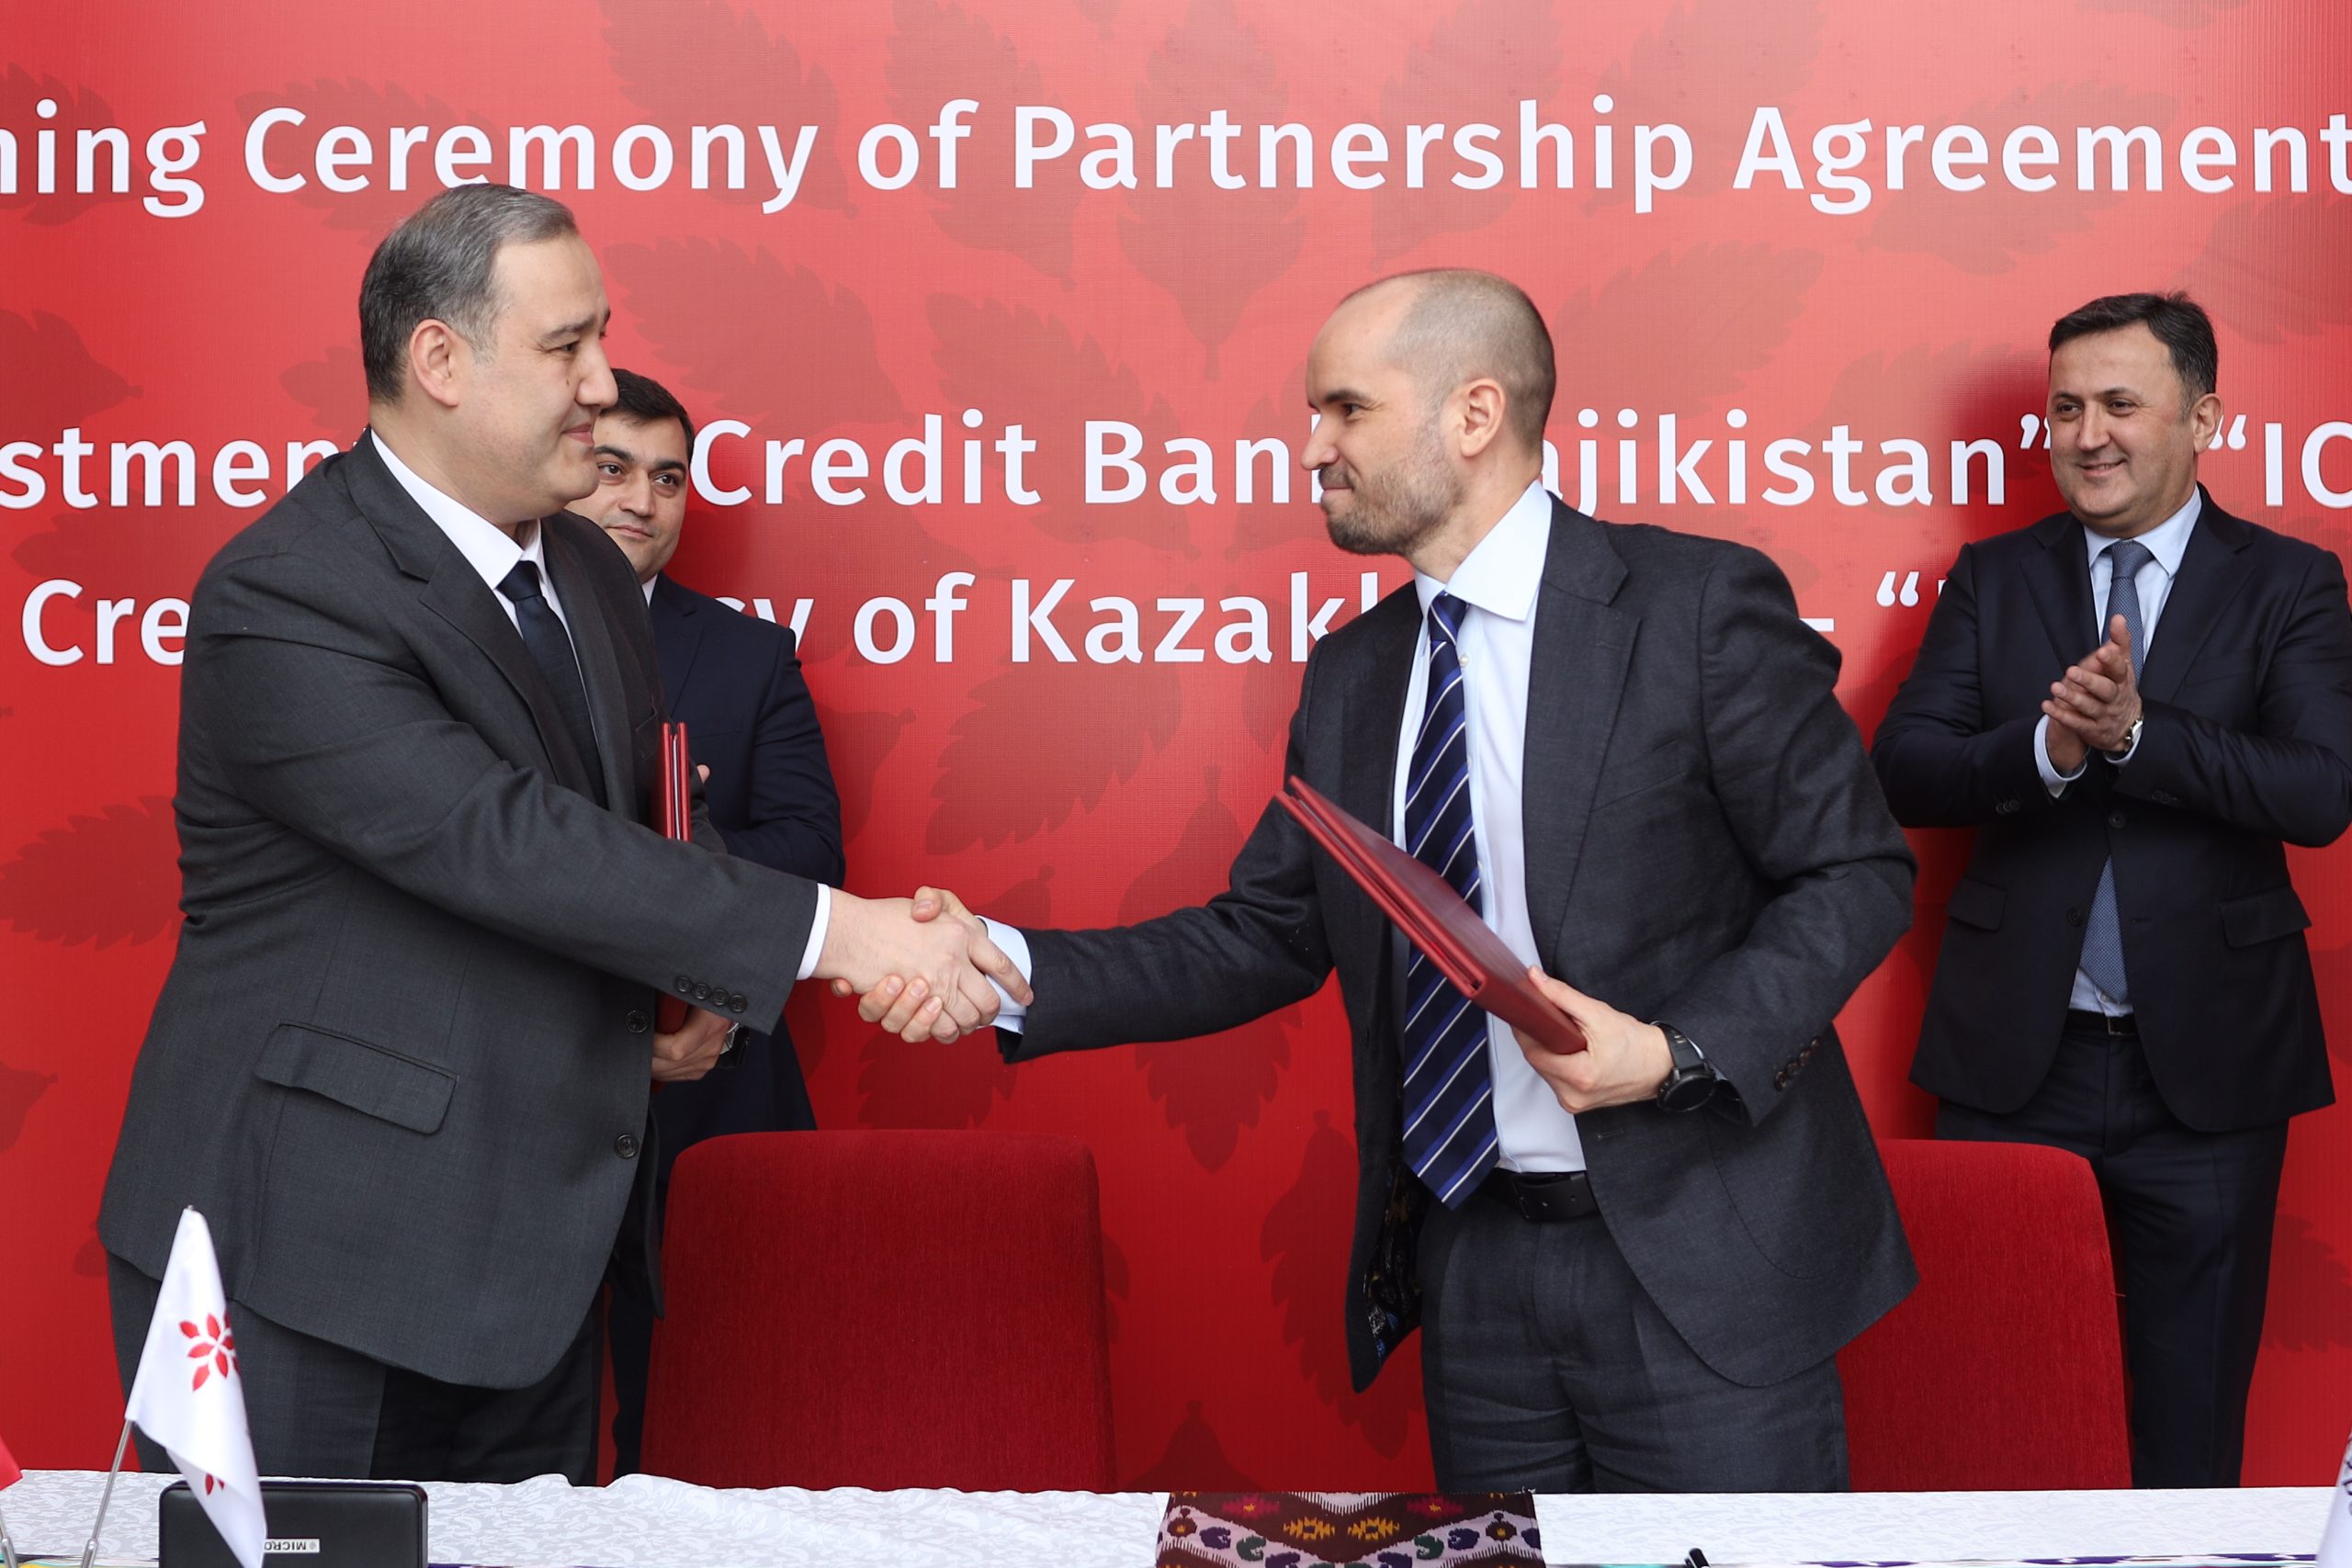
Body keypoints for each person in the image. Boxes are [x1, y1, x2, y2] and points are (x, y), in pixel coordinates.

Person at [853, 269, 1917, 1492]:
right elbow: (1262, 933)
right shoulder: (1355, 673)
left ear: (1475, 414)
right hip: (1476, 1270)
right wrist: (1001, 965)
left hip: (1703, 1260)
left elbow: (1855, 871)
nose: (1313, 448)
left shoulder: (1695, 607)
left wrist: (1672, 1052)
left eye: (1346, 409)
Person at [96, 184, 1021, 1484]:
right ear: (439, 360)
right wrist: (840, 935)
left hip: (534, 1258)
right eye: (566, 345)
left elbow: (631, 833)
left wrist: (676, 999)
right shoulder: (290, 592)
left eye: (601, 339)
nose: (598, 384)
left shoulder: (583, 570)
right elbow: (499, 839)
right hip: (304, 1261)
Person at [1871, 291, 2352, 1487]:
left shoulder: (2290, 581)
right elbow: (1904, 769)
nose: (2087, 435)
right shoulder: (1993, 578)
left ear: (2203, 419)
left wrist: (2139, 735)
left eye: (2120, 404)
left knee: (2190, 1434)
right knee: (1995, 1419)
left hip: (2210, 1071)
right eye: (2066, 408)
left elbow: (2318, 790)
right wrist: (2047, 750)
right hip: (2011, 1068)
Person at [571, 367, 844, 1473]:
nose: (641, 499)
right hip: (529, 1088)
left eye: (668, 477)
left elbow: (813, 853)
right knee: (508, 1450)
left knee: (712, 1444)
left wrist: (676, 853)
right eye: (613, 467)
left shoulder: (747, 656)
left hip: (713, 1092)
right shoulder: (477, 634)